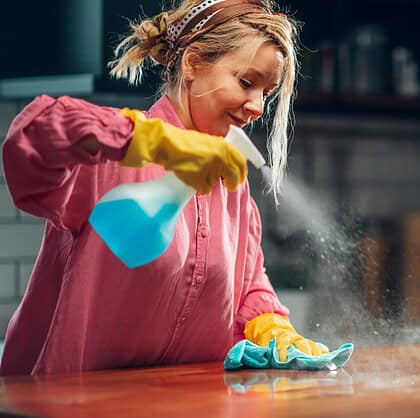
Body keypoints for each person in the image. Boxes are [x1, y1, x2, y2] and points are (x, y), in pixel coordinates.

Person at [0, 0, 330, 376]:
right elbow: (33, 136)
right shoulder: (110, 156)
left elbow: (248, 286)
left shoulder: (232, 186)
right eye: (246, 82)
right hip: (77, 410)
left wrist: (271, 326)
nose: (256, 106)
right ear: (192, 64)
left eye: (266, 93)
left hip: (185, 411)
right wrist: (151, 141)